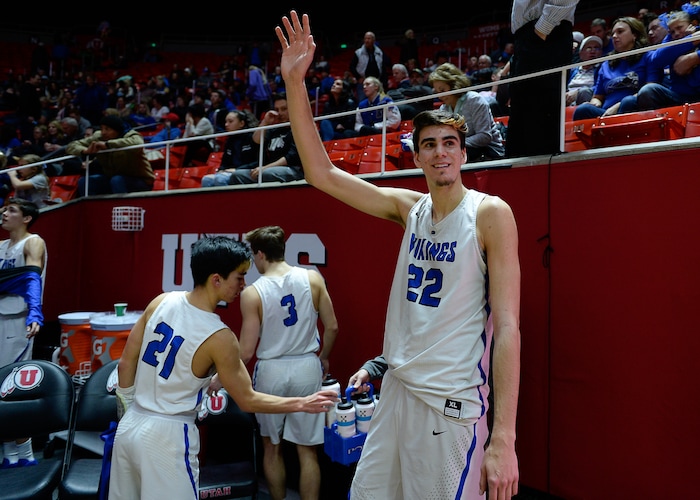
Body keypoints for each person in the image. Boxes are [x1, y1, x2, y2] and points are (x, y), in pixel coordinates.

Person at [276, 11, 521, 500]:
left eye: (449, 144)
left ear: (463, 153)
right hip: (398, 394)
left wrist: (504, 437)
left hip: (450, 404)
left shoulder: (490, 214)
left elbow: (509, 326)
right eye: (429, 145)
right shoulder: (409, 207)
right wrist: (294, 83)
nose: (440, 154)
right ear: (417, 157)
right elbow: (320, 174)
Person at [108, 235, 338, 499]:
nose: (244, 284)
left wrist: (126, 414)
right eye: (239, 277)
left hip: (130, 426)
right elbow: (248, 400)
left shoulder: (160, 301)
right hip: (167, 436)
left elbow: (126, 364)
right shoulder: (219, 336)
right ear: (216, 279)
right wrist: (301, 403)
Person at [237, 225, 339, 500]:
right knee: (307, 450)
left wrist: (220, 375)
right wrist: (324, 357)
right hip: (307, 365)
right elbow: (332, 327)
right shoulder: (312, 278)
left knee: (272, 447)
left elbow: (246, 351)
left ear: (259, 255)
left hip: (271, 369)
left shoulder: (252, 292)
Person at [0, 198, 47, 469]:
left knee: (14, 388)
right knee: (0, 389)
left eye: (12, 210)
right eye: (4, 210)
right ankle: (9, 453)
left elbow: (31, 278)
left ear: (26, 218)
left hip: (20, 322)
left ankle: (26, 453)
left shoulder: (33, 242)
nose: (5, 214)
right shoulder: (1, 246)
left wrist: (35, 312)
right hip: (1, 318)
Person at [506, 0, 579, 158]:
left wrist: (541, 30)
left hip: (546, 33)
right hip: (529, 36)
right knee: (520, 124)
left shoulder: (541, 32)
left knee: (540, 125)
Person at [428, 62, 505, 161]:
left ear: (454, 85)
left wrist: (455, 143)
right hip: (462, 150)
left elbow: (485, 136)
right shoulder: (444, 109)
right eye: (437, 92)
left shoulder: (475, 100)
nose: (439, 96)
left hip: (490, 153)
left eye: (442, 90)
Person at [67, 115, 155, 196]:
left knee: (117, 180)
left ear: (117, 130)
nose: (103, 132)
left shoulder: (131, 135)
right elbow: (71, 146)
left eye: (107, 129)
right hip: (112, 178)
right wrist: (84, 150)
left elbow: (138, 143)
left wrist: (108, 144)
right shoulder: (99, 136)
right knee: (85, 181)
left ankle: (121, 209)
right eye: (102, 129)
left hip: (141, 180)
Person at [228, 93, 304, 185]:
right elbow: (256, 140)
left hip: (294, 169)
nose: (279, 113)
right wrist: (265, 122)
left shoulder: (300, 128)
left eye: (284, 109)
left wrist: (265, 168)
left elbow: (290, 158)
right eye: (277, 109)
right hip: (269, 169)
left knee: (266, 174)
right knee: (237, 175)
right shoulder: (274, 129)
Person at [201, 110, 259, 187]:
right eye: (226, 121)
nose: (226, 124)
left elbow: (257, 161)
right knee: (206, 179)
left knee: (220, 179)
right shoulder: (229, 141)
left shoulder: (252, 138)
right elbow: (224, 162)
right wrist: (221, 170)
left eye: (230, 121)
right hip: (230, 171)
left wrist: (237, 169)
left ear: (241, 123)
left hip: (246, 171)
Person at [349, 31, 392, 98]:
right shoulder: (358, 53)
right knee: (362, 102)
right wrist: (358, 77)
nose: (366, 40)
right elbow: (351, 66)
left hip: (377, 81)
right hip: (363, 82)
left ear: (373, 40)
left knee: (380, 102)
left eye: (369, 38)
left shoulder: (379, 52)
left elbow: (383, 67)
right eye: (365, 38)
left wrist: (383, 82)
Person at [565, 35, 603, 106]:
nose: (593, 51)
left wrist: (577, 93)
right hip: (568, 100)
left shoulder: (602, 69)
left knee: (584, 91)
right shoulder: (572, 70)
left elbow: (601, 88)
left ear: (601, 53)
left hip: (588, 99)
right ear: (580, 53)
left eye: (596, 48)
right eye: (589, 48)